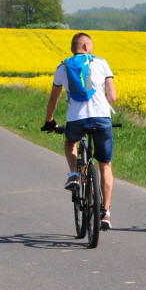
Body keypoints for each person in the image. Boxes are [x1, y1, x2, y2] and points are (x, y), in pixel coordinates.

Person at [43, 32, 117, 230]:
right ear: (86, 47)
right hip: (101, 118)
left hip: (76, 118)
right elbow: (112, 97)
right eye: (90, 46)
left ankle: (74, 175)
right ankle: (106, 213)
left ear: (73, 48)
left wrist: (50, 120)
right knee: (105, 165)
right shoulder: (101, 62)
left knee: (70, 142)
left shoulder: (63, 67)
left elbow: (54, 98)